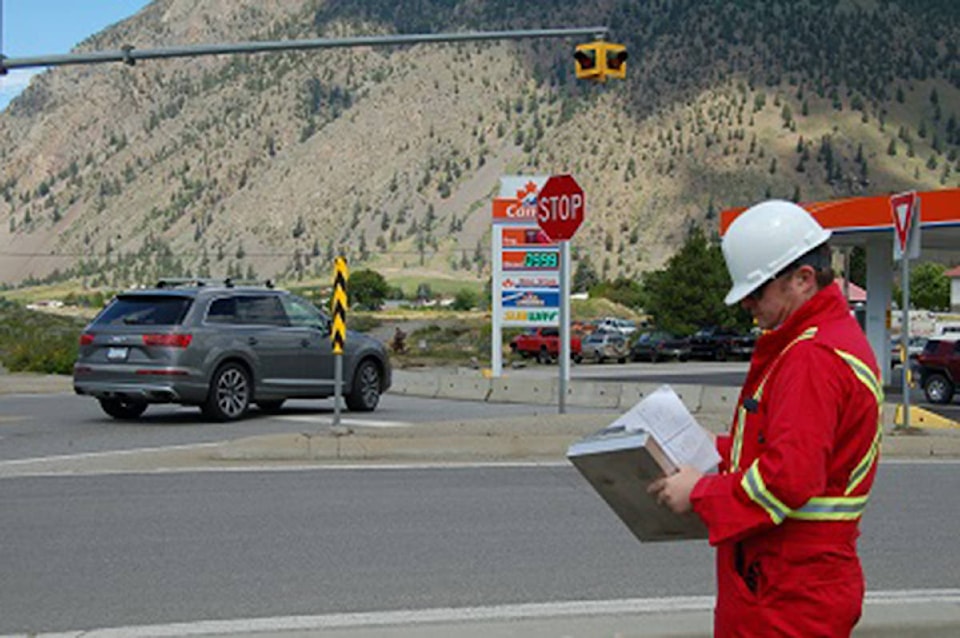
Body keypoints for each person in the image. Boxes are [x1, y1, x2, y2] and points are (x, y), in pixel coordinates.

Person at [648, 200, 882, 637]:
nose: (748, 305)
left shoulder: (812, 357)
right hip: (788, 580)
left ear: (803, 280)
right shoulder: (815, 343)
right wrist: (707, 446)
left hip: (788, 590)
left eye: (756, 293)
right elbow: (781, 448)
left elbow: (788, 477)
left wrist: (699, 492)